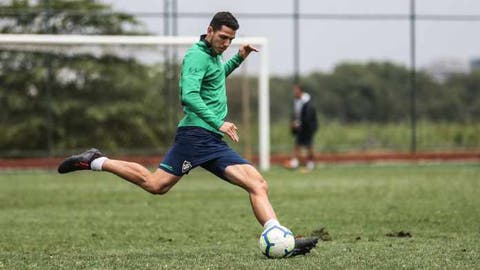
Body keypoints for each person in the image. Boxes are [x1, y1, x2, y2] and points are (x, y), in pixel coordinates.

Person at [57, 11, 317, 256]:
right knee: (156, 185)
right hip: (195, 137)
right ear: (209, 31)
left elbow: (215, 78)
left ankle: (280, 239)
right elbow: (189, 97)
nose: (226, 43)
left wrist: (238, 58)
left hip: (210, 139)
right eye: (223, 37)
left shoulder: (214, 55)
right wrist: (219, 122)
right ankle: (95, 161)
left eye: (231, 39)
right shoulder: (196, 55)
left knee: (257, 183)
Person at [286, 84, 318, 171]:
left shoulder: (307, 101)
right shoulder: (296, 101)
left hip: (308, 127)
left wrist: (299, 123)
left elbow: (308, 116)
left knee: (309, 146)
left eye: (296, 90)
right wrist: (294, 123)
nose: (294, 92)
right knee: (297, 144)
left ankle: (310, 163)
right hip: (300, 127)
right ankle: (295, 163)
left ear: (301, 91)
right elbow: (296, 114)